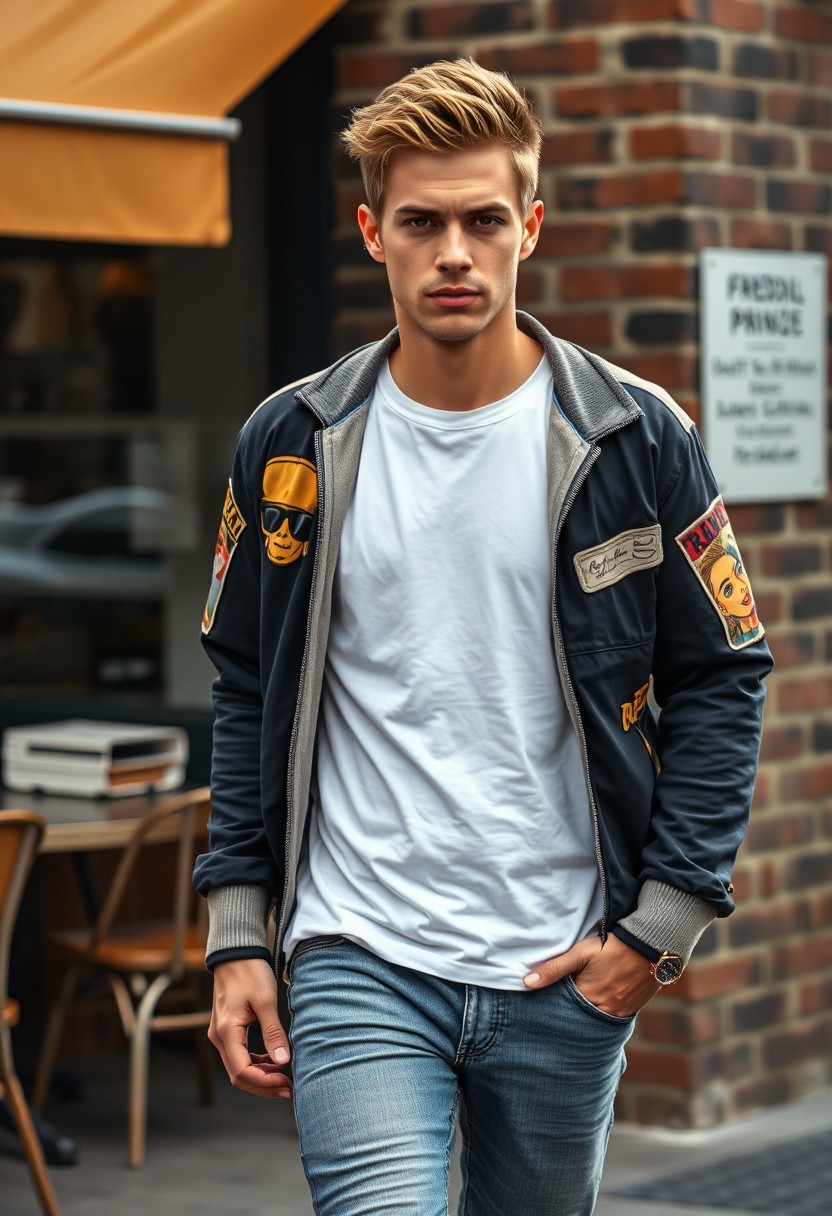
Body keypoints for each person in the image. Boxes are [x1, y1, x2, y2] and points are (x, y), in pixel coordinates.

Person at [193, 58, 772, 1216]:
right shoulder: (291, 440)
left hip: (562, 965)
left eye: (481, 219)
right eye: (420, 221)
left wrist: (656, 930)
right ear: (372, 231)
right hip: (357, 951)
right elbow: (247, 687)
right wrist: (238, 932)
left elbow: (721, 674)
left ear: (530, 226)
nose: (452, 250)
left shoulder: (632, 438)